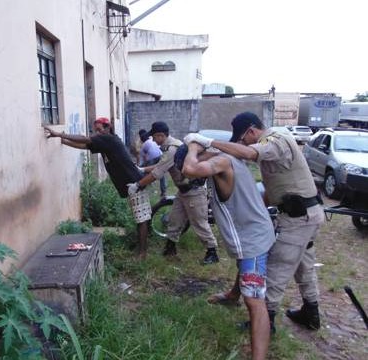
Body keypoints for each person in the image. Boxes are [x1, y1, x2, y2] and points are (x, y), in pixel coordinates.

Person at [185, 112, 325, 331]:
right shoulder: (273, 148)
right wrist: (258, 207)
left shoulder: (275, 138)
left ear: (251, 131)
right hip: (306, 213)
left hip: (299, 217)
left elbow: (250, 153)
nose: (241, 144)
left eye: (241, 139)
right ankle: (311, 311)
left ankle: (264, 320)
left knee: (276, 266)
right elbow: (274, 184)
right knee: (304, 264)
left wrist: (208, 142)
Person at [179, 139, 276, 360]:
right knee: (245, 267)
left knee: (254, 301)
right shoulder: (227, 161)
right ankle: (233, 294)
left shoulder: (221, 161)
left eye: (197, 156)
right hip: (255, 232)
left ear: (205, 153)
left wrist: (193, 148)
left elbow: (190, 169)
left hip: (253, 240)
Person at [44, 117, 151, 258]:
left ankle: (142, 253)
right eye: (96, 130)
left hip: (135, 183)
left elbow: (84, 139)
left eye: (100, 129)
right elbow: (85, 146)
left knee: (141, 219)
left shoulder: (109, 139)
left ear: (108, 127)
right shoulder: (105, 142)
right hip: (131, 184)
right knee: (140, 218)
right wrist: (65, 141)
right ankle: (141, 247)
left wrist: (59, 135)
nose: (98, 133)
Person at [127, 121, 219, 264]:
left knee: (199, 223)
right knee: (174, 220)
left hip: (194, 191)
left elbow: (158, 172)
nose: (154, 141)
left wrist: (138, 185)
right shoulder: (171, 146)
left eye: (155, 137)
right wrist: (142, 170)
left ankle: (212, 252)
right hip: (183, 192)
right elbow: (160, 165)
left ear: (161, 135)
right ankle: (170, 249)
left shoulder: (171, 149)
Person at [138, 129, 167, 197]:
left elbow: (143, 159)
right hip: (160, 156)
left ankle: (142, 186)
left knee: (146, 172)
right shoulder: (153, 140)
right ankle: (164, 191)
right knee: (161, 173)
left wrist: (140, 167)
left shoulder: (143, 146)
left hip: (152, 159)